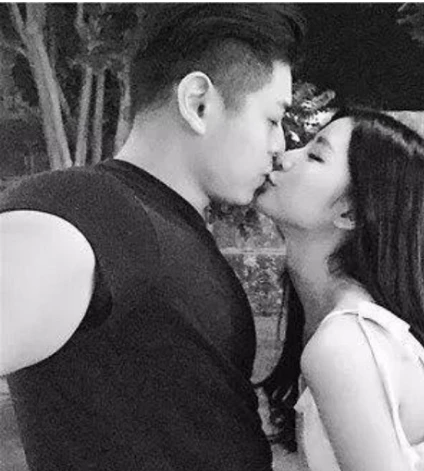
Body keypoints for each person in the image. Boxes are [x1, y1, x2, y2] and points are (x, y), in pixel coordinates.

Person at [0, 4, 305, 470]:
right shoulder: (93, 208)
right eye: (272, 119)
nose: (280, 145)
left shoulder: (155, 219)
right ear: (198, 103)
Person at [255, 108, 424, 471]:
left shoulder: (344, 346)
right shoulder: (346, 329)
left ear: (350, 213)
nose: (285, 156)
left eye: (315, 155)